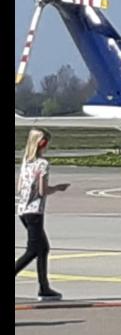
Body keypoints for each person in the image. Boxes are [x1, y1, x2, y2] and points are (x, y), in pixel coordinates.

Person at [15, 128, 69, 301]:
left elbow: (19, 186)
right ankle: (43, 287)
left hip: (23, 210)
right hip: (34, 211)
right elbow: (42, 190)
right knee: (32, 250)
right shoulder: (42, 164)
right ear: (42, 143)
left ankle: (44, 287)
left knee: (43, 248)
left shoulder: (26, 162)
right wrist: (58, 188)